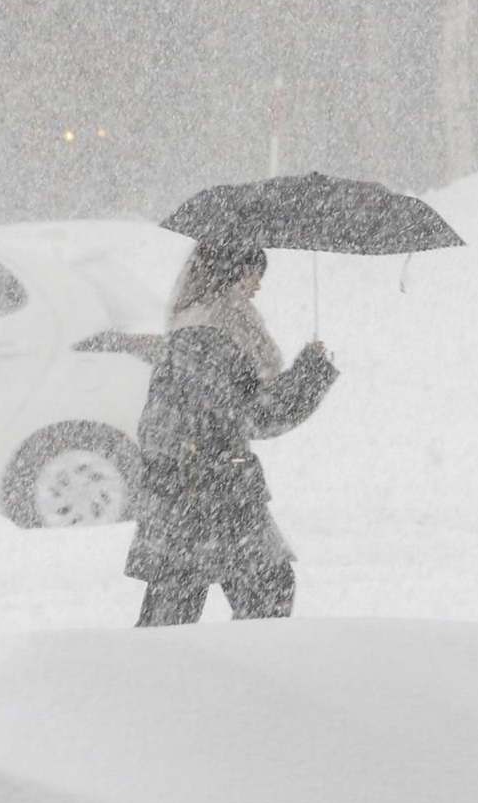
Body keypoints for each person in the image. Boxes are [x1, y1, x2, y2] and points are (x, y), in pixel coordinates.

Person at [126, 232, 339, 626]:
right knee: (267, 589)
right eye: (253, 274)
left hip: (186, 486)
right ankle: (239, 676)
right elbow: (253, 415)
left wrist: (304, 376)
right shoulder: (215, 331)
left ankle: (154, 678)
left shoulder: (196, 323)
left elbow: (231, 408)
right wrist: (309, 377)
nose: (257, 285)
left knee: (177, 605)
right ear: (231, 273)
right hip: (209, 490)